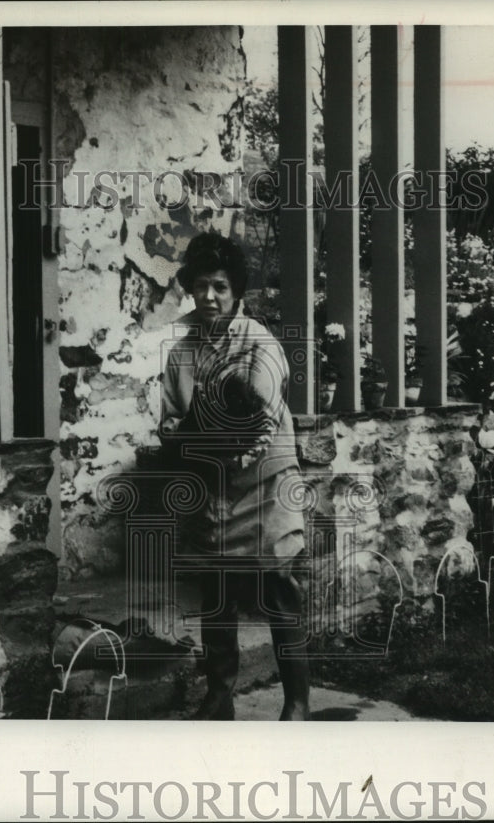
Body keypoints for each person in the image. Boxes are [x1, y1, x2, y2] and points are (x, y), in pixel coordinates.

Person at [159, 232, 311, 721]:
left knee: (277, 588)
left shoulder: (260, 346)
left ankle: (297, 703)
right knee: (215, 590)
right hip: (211, 487)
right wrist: (181, 443)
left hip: (264, 483)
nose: (208, 296)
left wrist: (221, 458)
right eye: (200, 285)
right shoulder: (181, 353)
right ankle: (219, 696)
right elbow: (168, 418)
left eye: (220, 286)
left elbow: (262, 426)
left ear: (236, 291)